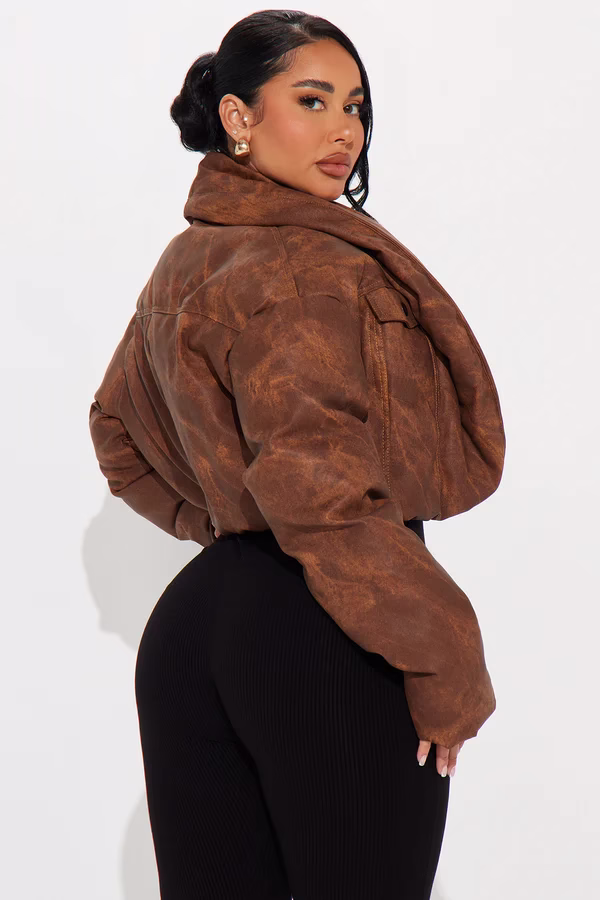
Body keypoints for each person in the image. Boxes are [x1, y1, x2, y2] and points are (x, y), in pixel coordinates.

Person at [88, 10, 505, 899]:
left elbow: (116, 435)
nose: (344, 130)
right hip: (329, 632)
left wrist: (235, 531)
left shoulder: (189, 260)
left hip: (197, 630)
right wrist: (447, 650)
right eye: (312, 100)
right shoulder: (308, 266)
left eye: (355, 106)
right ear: (238, 116)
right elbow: (316, 488)